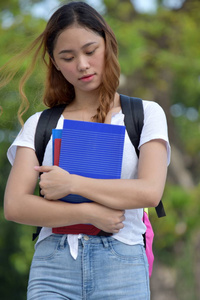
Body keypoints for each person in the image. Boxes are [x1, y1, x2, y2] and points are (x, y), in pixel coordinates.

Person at [3, 2, 170, 299]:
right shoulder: (40, 123)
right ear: (54, 62)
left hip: (122, 264)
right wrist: (89, 212)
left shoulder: (145, 114)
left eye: (90, 51)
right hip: (52, 267)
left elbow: (149, 192)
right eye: (67, 57)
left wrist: (71, 184)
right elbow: (15, 206)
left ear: (108, 44)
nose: (82, 64)